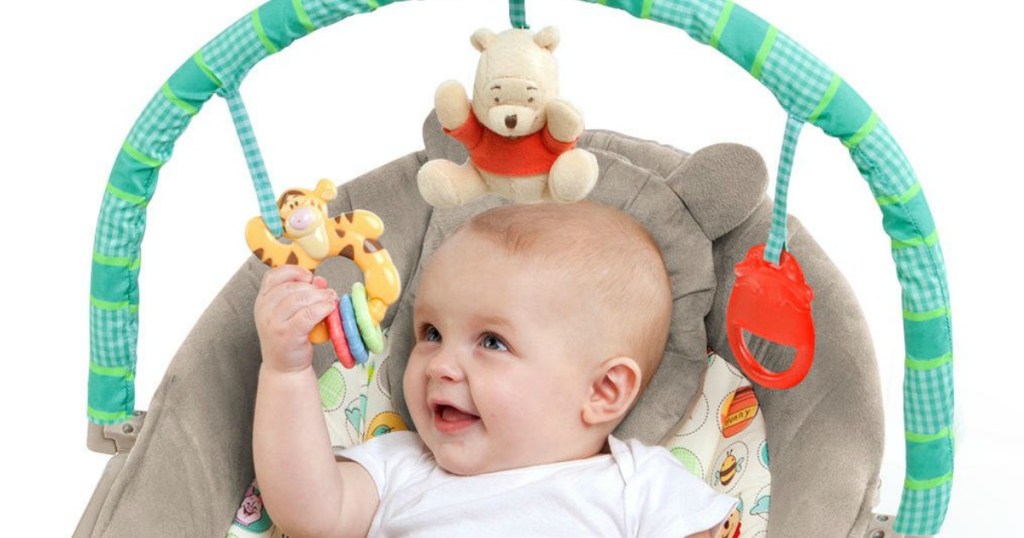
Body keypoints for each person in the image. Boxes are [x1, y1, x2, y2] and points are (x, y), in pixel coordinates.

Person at [252, 201, 737, 537]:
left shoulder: (640, 485)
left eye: (492, 342)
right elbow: (308, 513)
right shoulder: (402, 466)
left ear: (604, 390)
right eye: (431, 333)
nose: (440, 364)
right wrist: (286, 372)